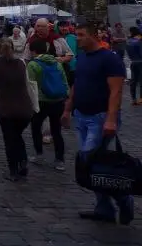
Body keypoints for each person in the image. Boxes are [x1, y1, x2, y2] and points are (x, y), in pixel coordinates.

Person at [63, 22, 133, 225]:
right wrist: (68, 109)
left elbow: (116, 91)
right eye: (77, 35)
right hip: (82, 116)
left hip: (100, 117)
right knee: (93, 164)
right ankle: (104, 208)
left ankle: (123, 199)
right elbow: (77, 84)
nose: (77, 38)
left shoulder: (109, 59)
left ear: (94, 36)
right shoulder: (82, 57)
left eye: (81, 34)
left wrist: (111, 119)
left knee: (90, 163)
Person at [0, 38, 34, 181]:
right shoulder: (21, 64)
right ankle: (23, 162)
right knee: (17, 135)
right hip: (24, 108)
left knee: (10, 139)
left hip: (6, 108)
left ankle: (13, 170)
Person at [26, 39, 69, 171]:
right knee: (57, 131)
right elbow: (64, 81)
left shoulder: (33, 64)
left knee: (36, 128)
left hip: (41, 101)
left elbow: (31, 87)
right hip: (58, 100)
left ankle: (39, 155)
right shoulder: (57, 62)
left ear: (33, 51)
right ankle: (60, 160)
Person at [128, 27, 142, 105]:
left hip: (133, 62)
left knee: (133, 81)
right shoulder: (139, 41)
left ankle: (133, 99)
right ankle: (141, 98)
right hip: (140, 62)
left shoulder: (129, 41)